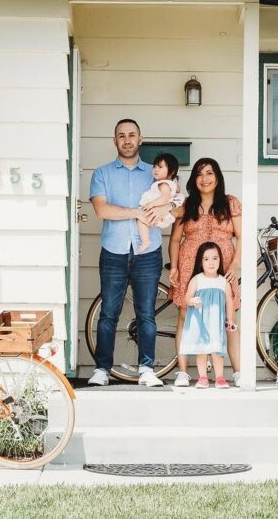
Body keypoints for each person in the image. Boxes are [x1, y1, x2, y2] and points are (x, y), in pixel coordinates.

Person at [88, 119, 181, 387]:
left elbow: (180, 205)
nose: (126, 140)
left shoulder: (156, 173)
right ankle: (102, 369)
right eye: (121, 136)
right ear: (114, 140)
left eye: (132, 135)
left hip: (147, 253)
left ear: (141, 139)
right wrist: (136, 212)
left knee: (146, 314)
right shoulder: (102, 174)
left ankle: (147, 369)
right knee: (108, 313)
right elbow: (102, 210)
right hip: (113, 252)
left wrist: (168, 209)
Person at [168, 158, 243, 388]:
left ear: (217, 177)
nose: (205, 179)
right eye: (200, 174)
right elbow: (174, 239)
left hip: (223, 268)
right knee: (185, 316)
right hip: (190, 266)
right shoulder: (188, 205)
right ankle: (183, 372)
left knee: (228, 319)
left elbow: (241, 236)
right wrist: (174, 266)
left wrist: (234, 265)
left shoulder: (230, 204)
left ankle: (238, 371)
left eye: (209, 173)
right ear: (194, 180)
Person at [179, 242, 236, 389]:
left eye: (215, 258)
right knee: (202, 350)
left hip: (216, 323)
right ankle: (203, 377)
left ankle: (219, 377)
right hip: (200, 323)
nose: (211, 262)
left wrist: (230, 319)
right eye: (206, 259)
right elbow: (186, 297)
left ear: (220, 260)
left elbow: (229, 301)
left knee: (217, 350)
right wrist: (191, 301)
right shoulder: (197, 279)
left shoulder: (223, 282)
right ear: (200, 261)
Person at [135, 153, 181, 254]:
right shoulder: (172, 184)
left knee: (140, 220)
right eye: (154, 166)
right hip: (162, 213)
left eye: (160, 167)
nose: (156, 169)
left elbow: (164, 198)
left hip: (157, 210)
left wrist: (151, 204)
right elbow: (176, 192)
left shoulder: (163, 184)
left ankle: (145, 241)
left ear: (172, 171)